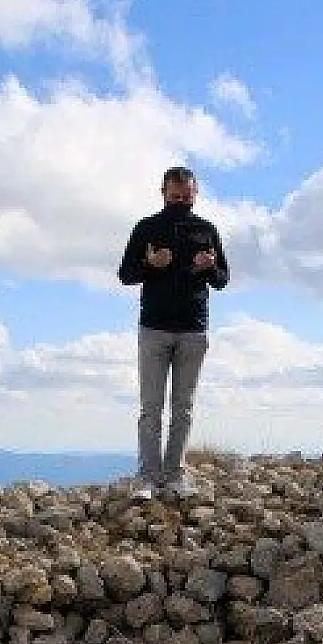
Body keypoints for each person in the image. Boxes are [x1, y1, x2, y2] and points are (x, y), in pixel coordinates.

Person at [117, 165, 230, 501]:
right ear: (163, 192)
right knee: (151, 407)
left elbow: (223, 278)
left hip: (194, 329)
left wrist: (209, 268)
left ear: (196, 193)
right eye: (175, 194)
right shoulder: (147, 227)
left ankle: (175, 475)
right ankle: (148, 478)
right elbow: (125, 274)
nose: (181, 200)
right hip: (154, 327)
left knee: (183, 407)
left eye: (187, 195)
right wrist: (151, 265)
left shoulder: (207, 230)